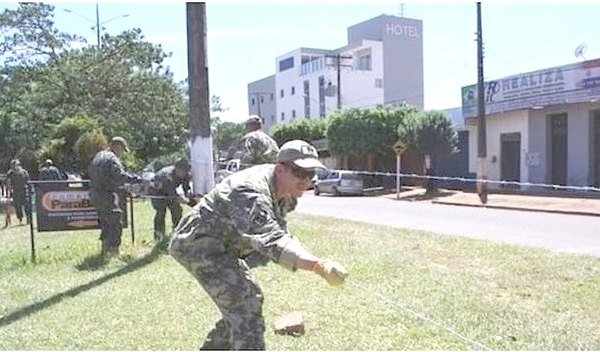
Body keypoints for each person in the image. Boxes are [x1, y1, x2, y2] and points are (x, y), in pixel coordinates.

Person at [169, 139, 348, 350]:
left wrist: (310, 259)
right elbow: (272, 239)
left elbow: (279, 232)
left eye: (311, 174)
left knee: (248, 302)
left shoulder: (284, 191)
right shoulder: (250, 192)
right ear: (281, 169)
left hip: (223, 244)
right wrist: (318, 265)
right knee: (245, 307)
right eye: (300, 173)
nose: (306, 180)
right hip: (198, 245)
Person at [88, 136, 143, 258]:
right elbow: (120, 176)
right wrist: (139, 180)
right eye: (122, 150)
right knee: (116, 221)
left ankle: (105, 250)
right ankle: (113, 251)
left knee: (105, 222)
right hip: (105, 194)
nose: (122, 154)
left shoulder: (99, 155)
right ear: (118, 147)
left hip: (94, 193)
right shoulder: (112, 159)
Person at [149, 159, 194, 241]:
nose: (185, 173)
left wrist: (189, 197)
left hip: (170, 191)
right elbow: (172, 194)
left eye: (186, 171)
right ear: (177, 169)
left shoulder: (185, 175)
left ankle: (177, 231)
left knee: (177, 210)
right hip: (157, 191)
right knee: (161, 211)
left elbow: (186, 188)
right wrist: (182, 199)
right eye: (183, 171)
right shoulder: (167, 176)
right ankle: (159, 235)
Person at [5, 159, 31, 225]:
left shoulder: (24, 172)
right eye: (13, 165)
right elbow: (8, 182)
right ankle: (20, 218)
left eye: (16, 165)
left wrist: (29, 188)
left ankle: (28, 218)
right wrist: (9, 189)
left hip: (24, 190)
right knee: (17, 206)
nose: (14, 167)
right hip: (15, 191)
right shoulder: (10, 173)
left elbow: (28, 181)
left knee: (26, 205)